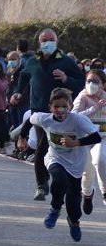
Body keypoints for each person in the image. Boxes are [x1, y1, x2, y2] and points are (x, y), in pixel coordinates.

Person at [18, 88, 100, 242]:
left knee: (73, 203)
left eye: (64, 107)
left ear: (69, 107)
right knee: (59, 180)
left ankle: (74, 222)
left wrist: (76, 142)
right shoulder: (45, 118)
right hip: (55, 158)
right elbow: (30, 120)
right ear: (50, 107)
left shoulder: (77, 120)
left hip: (76, 165)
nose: (60, 110)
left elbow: (96, 137)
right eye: (56, 107)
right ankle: (55, 209)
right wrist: (22, 136)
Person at [11, 29, 85, 200]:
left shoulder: (66, 61)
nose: (48, 43)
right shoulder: (32, 61)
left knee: (58, 147)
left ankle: (60, 179)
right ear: (39, 43)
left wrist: (67, 79)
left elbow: (81, 83)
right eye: (45, 40)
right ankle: (41, 184)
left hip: (61, 114)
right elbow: (23, 76)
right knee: (43, 146)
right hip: (39, 112)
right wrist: (18, 92)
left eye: (51, 40)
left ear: (57, 42)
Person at [71, 68, 106, 215]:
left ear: (103, 84)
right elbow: (73, 117)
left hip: (102, 137)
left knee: (101, 159)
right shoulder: (82, 97)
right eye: (88, 81)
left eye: (95, 81)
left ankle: (105, 192)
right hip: (85, 139)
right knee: (87, 172)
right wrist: (94, 108)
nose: (91, 84)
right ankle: (87, 194)